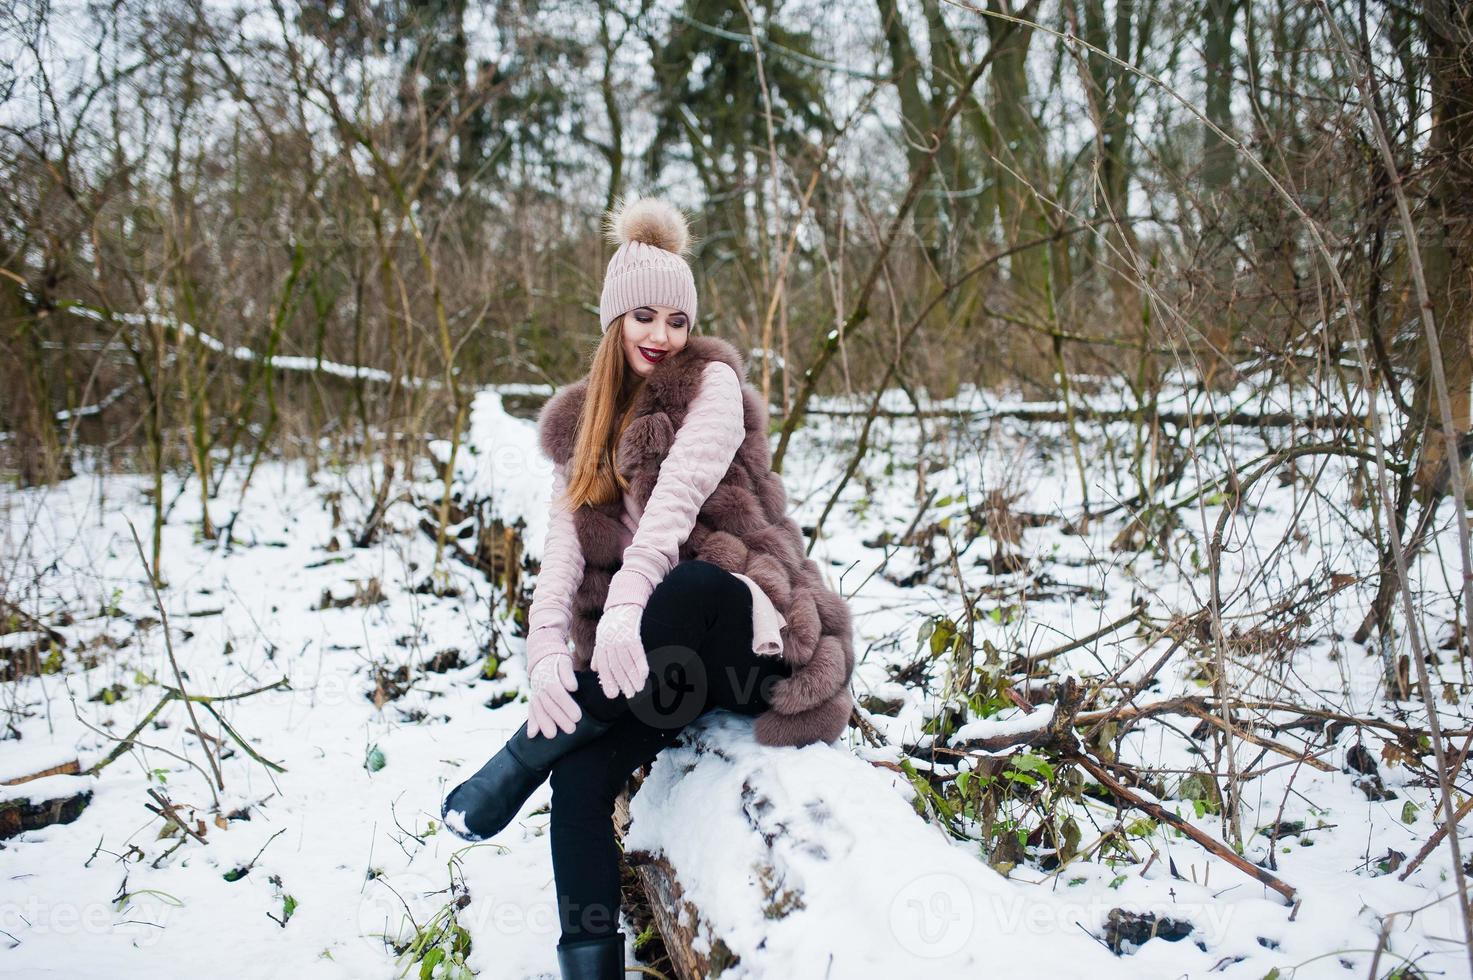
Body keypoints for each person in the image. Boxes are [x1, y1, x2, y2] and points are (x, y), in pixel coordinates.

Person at [440, 194, 855, 980]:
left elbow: (672, 508)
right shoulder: (586, 427)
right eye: (643, 317)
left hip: (750, 643)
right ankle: (589, 962)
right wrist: (541, 654)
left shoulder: (712, 389)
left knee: (694, 582)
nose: (661, 336)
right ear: (613, 322)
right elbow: (562, 550)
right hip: (667, 665)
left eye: (676, 319)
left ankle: (514, 763)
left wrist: (626, 606)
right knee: (582, 777)